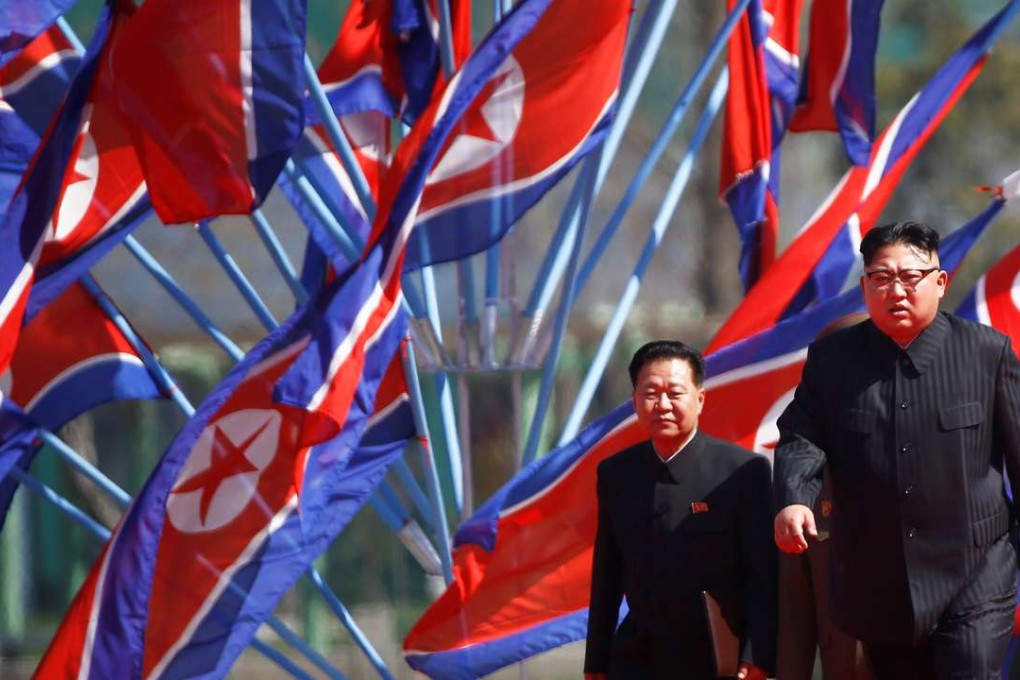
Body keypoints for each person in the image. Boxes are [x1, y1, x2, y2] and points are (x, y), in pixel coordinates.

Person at [773, 220, 1020, 678]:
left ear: (940, 282)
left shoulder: (987, 354)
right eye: (882, 278)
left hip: (976, 570)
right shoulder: (834, 361)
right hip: (880, 578)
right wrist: (792, 499)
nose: (897, 290)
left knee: (968, 668)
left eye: (911, 277)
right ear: (865, 285)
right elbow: (800, 435)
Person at [585, 340, 777, 679]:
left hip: (716, 658)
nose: (662, 405)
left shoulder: (743, 471)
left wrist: (756, 654)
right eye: (650, 394)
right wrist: (596, 662)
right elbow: (607, 575)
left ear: (700, 399)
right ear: (634, 401)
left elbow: (762, 575)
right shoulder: (616, 473)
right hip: (637, 659)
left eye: (675, 393)